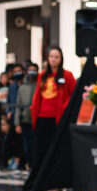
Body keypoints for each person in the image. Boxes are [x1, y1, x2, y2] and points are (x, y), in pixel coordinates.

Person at [30, 46, 75, 177]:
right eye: (51, 57)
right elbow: (37, 96)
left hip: (58, 119)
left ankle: (55, 177)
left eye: (56, 57)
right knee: (40, 150)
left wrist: (65, 107)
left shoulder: (67, 75)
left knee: (56, 149)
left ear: (61, 59)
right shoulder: (42, 76)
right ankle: (38, 177)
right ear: (47, 58)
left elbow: (73, 95)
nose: (53, 60)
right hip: (42, 117)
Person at [15, 63, 38, 170]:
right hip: (24, 119)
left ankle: (35, 165)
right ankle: (29, 164)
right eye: (30, 69)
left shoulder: (39, 85)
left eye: (34, 70)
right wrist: (17, 123)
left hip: (36, 120)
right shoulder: (22, 87)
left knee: (35, 144)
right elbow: (18, 106)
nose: (32, 72)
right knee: (26, 145)